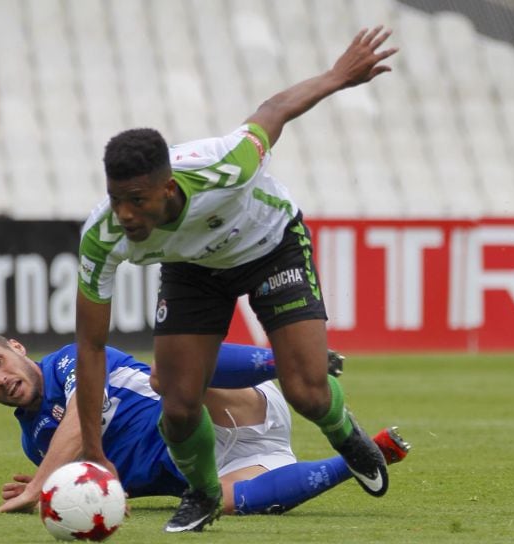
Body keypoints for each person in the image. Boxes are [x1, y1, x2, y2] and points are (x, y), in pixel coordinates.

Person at [73, 26, 399, 531]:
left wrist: (338, 76)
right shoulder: (102, 236)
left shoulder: (224, 167)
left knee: (308, 392)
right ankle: (203, 493)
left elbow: (273, 110)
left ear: (168, 186)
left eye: (137, 200)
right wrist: (93, 451)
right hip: (194, 272)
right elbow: (90, 345)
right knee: (178, 405)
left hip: (272, 247)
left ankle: (344, 434)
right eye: (116, 198)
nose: (125, 214)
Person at [0, 326, 410, 516]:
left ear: (17, 348)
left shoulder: (70, 361)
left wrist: (38, 488)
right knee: (219, 504)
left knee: (172, 378)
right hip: (214, 468)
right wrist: (69, 492)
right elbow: (116, 482)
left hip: (228, 408)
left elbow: (85, 418)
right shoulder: (35, 445)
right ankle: (356, 458)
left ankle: (288, 364)